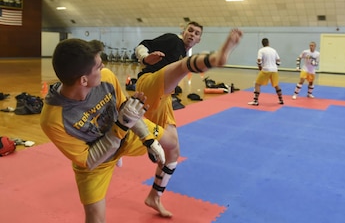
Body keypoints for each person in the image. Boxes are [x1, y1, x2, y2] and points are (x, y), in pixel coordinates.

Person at [40, 39, 166, 223]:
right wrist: (121, 127)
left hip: (124, 134)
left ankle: (155, 196)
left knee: (171, 143)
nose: (104, 67)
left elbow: (125, 109)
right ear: (83, 80)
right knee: (95, 218)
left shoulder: (106, 77)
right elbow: (88, 160)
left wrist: (148, 139)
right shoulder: (52, 120)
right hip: (96, 161)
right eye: (98, 66)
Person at [134, 25, 243, 217]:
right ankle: (217, 58)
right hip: (149, 82)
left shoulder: (182, 52)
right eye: (190, 30)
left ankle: (154, 196)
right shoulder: (172, 40)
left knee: (173, 151)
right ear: (183, 31)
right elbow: (143, 45)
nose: (192, 34)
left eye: (197, 33)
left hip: (163, 97)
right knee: (184, 66)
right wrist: (145, 58)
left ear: (199, 39)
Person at [248, 38, 283, 106]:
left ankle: (255, 101)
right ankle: (281, 100)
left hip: (266, 69)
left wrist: (259, 66)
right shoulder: (273, 50)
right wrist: (275, 65)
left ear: (262, 44)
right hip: (274, 70)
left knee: (257, 84)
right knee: (276, 85)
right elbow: (278, 60)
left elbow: (259, 60)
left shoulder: (261, 50)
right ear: (268, 43)